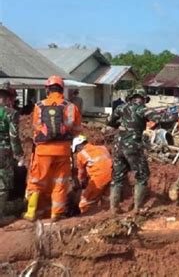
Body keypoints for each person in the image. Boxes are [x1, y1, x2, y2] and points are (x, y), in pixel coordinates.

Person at [107, 89, 175, 215]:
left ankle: (114, 208)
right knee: (142, 175)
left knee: (117, 177)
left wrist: (122, 126)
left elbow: (110, 121)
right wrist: (178, 115)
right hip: (133, 146)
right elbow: (161, 118)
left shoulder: (120, 108)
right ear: (143, 99)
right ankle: (137, 208)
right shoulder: (142, 109)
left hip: (118, 146)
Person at [24, 76, 82, 222]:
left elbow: (36, 127)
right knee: (60, 181)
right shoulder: (70, 106)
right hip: (63, 150)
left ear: (47, 89)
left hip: (43, 150)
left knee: (36, 180)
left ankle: (31, 212)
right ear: (62, 89)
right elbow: (77, 129)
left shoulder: (39, 105)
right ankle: (56, 213)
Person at [0, 82, 24, 225]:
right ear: (8, 97)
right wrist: (19, 154)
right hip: (3, 152)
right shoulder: (10, 113)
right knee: (3, 184)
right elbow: (13, 136)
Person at [71, 135, 112, 214]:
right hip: (113, 175)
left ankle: (86, 217)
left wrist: (82, 183)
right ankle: (106, 214)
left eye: (76, 150)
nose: (77, 152)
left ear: (78, 146)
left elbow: (81, 173)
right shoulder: (102, 148)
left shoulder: (81, 154)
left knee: (85, 202)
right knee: (106, 198)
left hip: (99, 178)